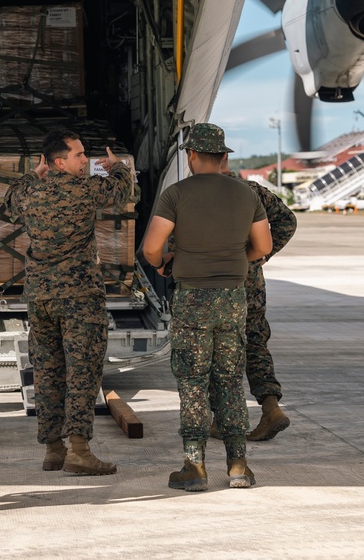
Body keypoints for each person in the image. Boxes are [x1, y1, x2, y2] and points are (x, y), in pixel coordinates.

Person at [141, 123, 272, 492]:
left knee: (193, 381)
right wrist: (236, 260)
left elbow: (152, 248)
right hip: (233, 297)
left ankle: (195, 467)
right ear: (224, 156)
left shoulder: (175, 194)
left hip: (193, 299)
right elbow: (262, 246)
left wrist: (165, 261)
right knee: (229, 379)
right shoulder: (246, 194)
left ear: (192, 155)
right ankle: (238, 465)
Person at [3, 130, 136, 475]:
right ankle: (78, 449)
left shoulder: (31, 192)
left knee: (47, 374)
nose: (85, 161)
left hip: (41, 297)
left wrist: (36, 172)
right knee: (82, 373)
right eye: (79, 155)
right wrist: (117, 166)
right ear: (60, 161)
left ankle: (53, 449)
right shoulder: (86, 189)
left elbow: (10, 199)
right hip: (79, 298)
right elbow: (123, 189)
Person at [217, 156, 297, 441]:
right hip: (251, 282)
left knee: (218, 348)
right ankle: (271, 407)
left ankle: (222, 419)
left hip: (216, 282)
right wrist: (262, 254)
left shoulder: (199, 192)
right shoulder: (252, 190)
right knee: (255, 343)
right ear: (225, 158)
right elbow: (287, 221)